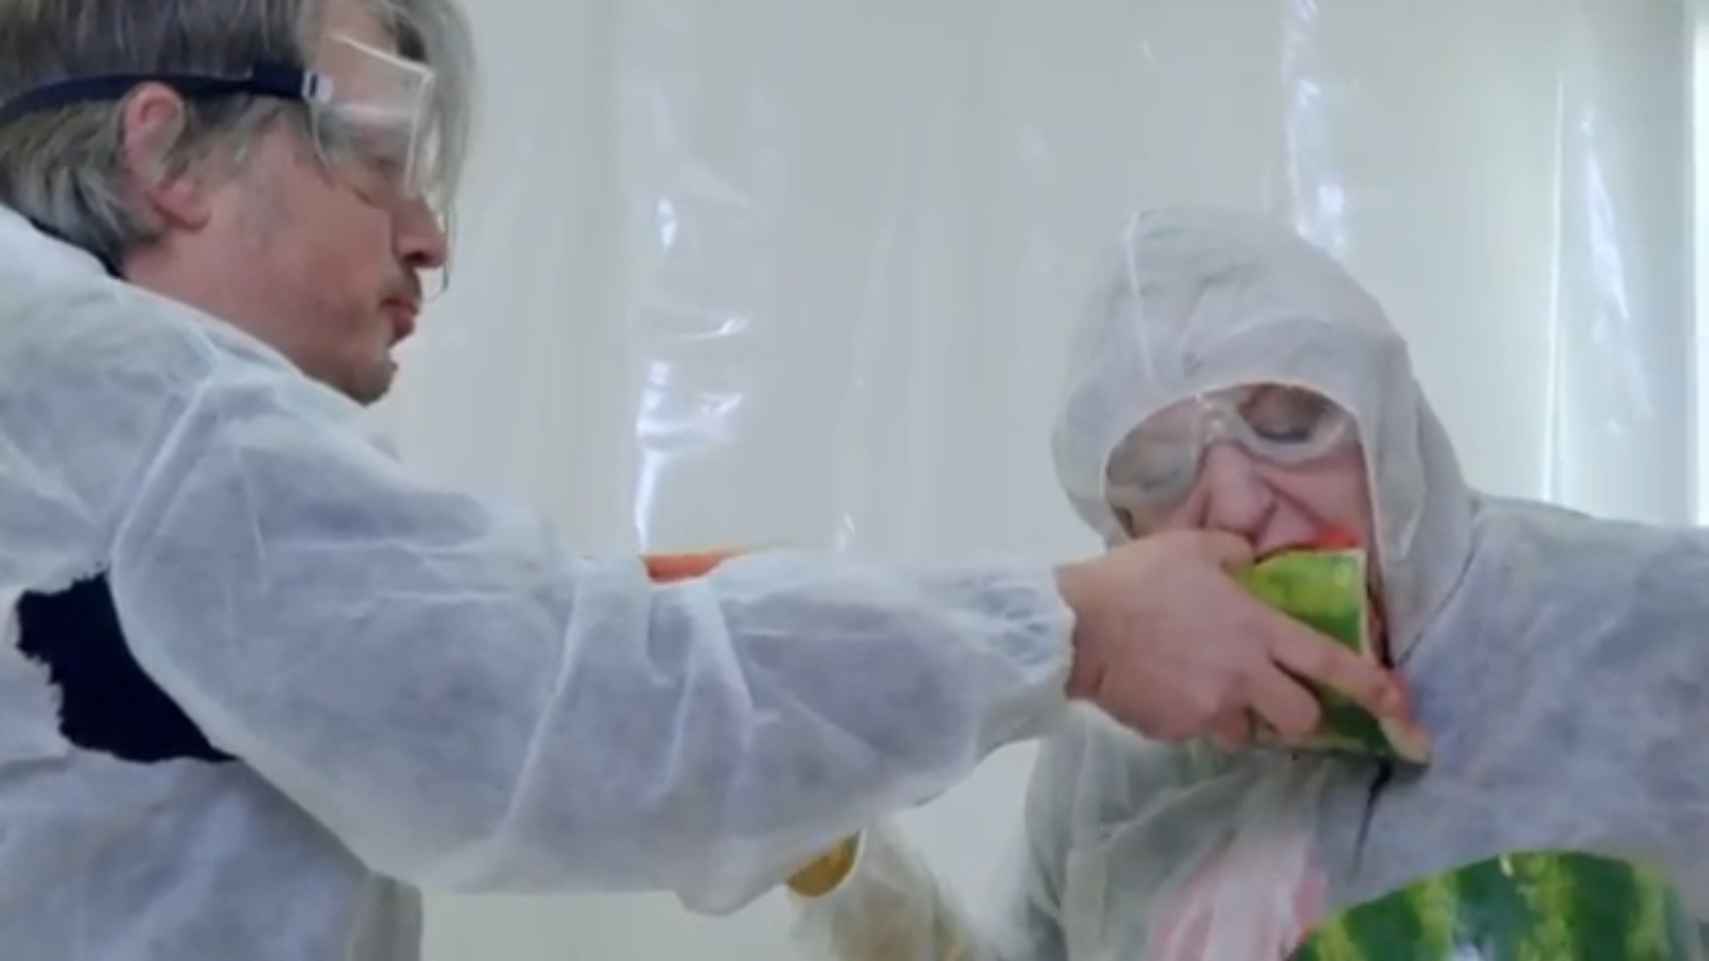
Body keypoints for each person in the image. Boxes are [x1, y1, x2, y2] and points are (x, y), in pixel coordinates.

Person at [0, 4, 1410, 959]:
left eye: (1291, 420)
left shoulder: (66, 409)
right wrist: (1077, 628)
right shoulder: (156, 408)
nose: (428, 237)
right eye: (377, 151)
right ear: (165, 152)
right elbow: (573, 717)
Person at [785, 206, 1709, 961]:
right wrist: (846, 871)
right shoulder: (1108, 755)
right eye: (1158, 469)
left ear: (1386, 428)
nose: (1235, 504)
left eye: (1291, 421)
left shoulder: (1653, 621)